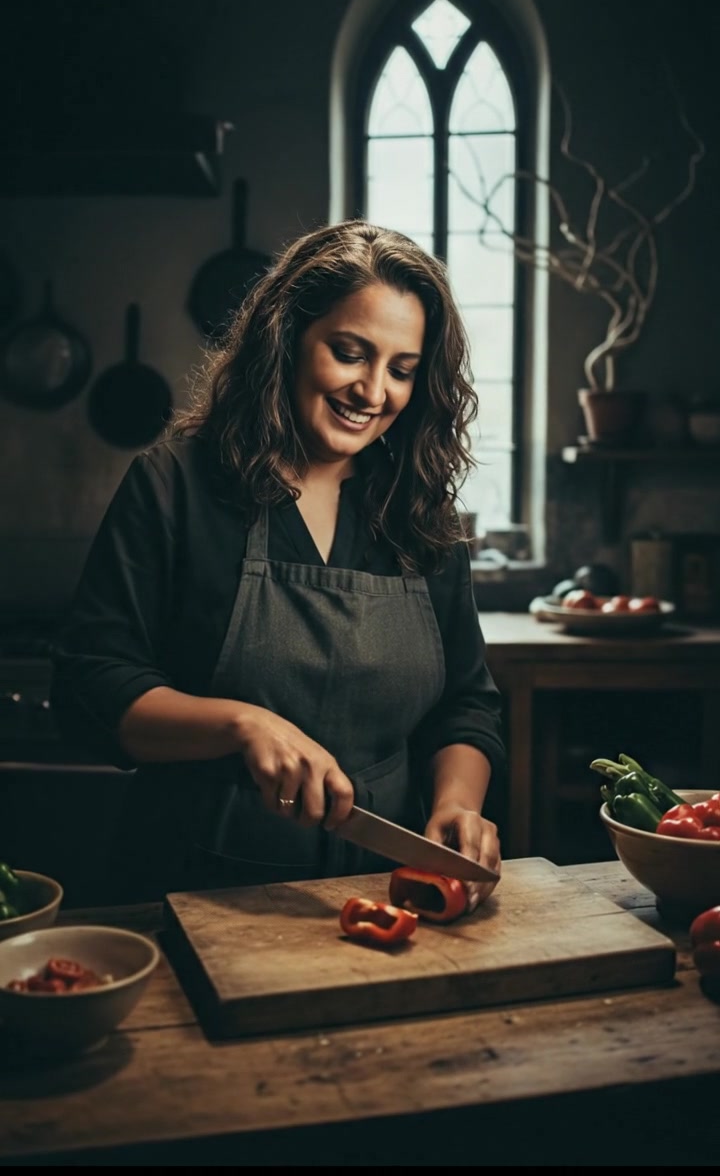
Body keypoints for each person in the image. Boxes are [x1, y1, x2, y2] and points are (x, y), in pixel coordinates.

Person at [50, 219, 506, 910]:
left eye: (402, 370)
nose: (373, 391)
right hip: (194, 887)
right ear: (287, 338)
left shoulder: (418, 512)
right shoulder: (176, 486)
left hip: (385, 893)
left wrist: (457, 805)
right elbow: (92, 684)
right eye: (350, 353)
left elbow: (465, 704)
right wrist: (243, 724)